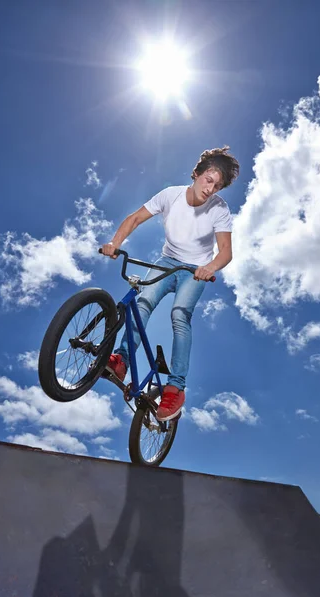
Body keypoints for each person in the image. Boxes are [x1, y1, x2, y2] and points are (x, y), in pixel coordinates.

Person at [101, 146, 239, 422]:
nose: (211, 189)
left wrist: (208, 268)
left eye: (218, 186)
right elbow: (135, 218)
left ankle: (175, 387)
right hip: (167, 262)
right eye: (208, 180)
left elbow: (225, 252)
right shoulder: (170, 196)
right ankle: (121, 361)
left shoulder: (219, 209)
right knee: (142, 302)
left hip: (195, 270)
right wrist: (115, 244)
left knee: (180, 315)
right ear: (196, 174)